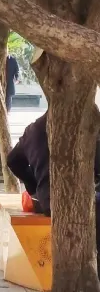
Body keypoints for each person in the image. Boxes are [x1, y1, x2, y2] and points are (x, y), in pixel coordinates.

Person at [7, 111, 100, 262]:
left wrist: (35, 187)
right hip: (80, 202)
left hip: (47, 201)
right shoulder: (86, 127)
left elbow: (13, 161)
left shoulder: (33, 129)